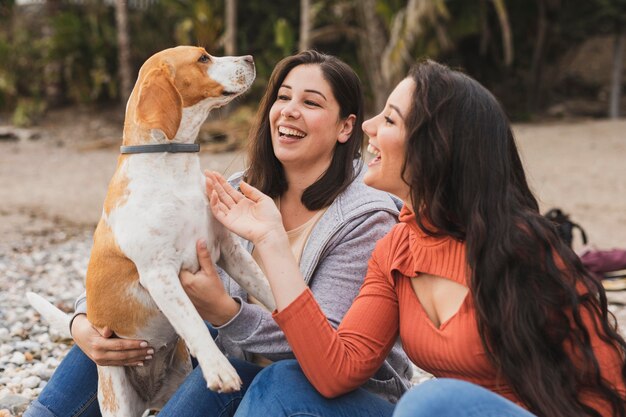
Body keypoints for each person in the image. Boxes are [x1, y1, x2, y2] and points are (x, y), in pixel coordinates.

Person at [203, 60, 626, 417]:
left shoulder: (520, 247)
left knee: (432, 400)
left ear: (435, 146)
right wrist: (272, 241)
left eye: (389, 119)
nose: (367, 125)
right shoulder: (397, 249)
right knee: (272, 384)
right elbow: (336, 371)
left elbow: (607, 384)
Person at [23, 50, 413, 417]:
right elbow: (135, 254)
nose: (289, 112)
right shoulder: (238, 188)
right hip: (235, 365)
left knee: (254, 379)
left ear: (346, 127)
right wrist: (82, 325)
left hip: (329, 393)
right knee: (112, 346)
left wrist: (226, 314)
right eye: (283, 97)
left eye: (311, 103)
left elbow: (331, 350)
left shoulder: (366, 219)